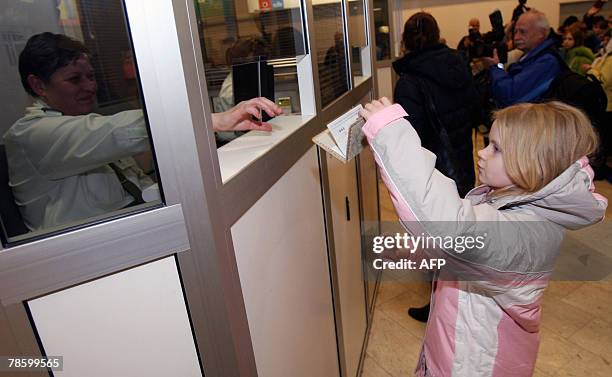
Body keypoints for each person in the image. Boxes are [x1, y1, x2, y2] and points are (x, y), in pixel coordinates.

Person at [359, 97, 607, 377]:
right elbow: (469, 256)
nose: (482, 152)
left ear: (535, 165)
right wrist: (416, 251)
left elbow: (452, 230)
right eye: (488, 142)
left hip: (476, 365)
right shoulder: (505, 204)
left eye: (496, 149)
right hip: (455, 349)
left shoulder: (527, 235)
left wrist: (390, 132)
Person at [3, 32, 282, 231]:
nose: (90, 87)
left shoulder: (81, 122)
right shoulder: (31, 135)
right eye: (75, 79)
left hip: (132, 224)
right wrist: (210, 120)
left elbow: (138, 186)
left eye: (91, 76)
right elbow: (113, 132)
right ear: (39, 86)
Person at [482, 10, 561, 108]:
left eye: (522, 32)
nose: (516, 37)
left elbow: (511, 97)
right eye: (515, 31)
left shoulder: (547, 61)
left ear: (541, 34)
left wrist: (495, 67)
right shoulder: (528, 57)